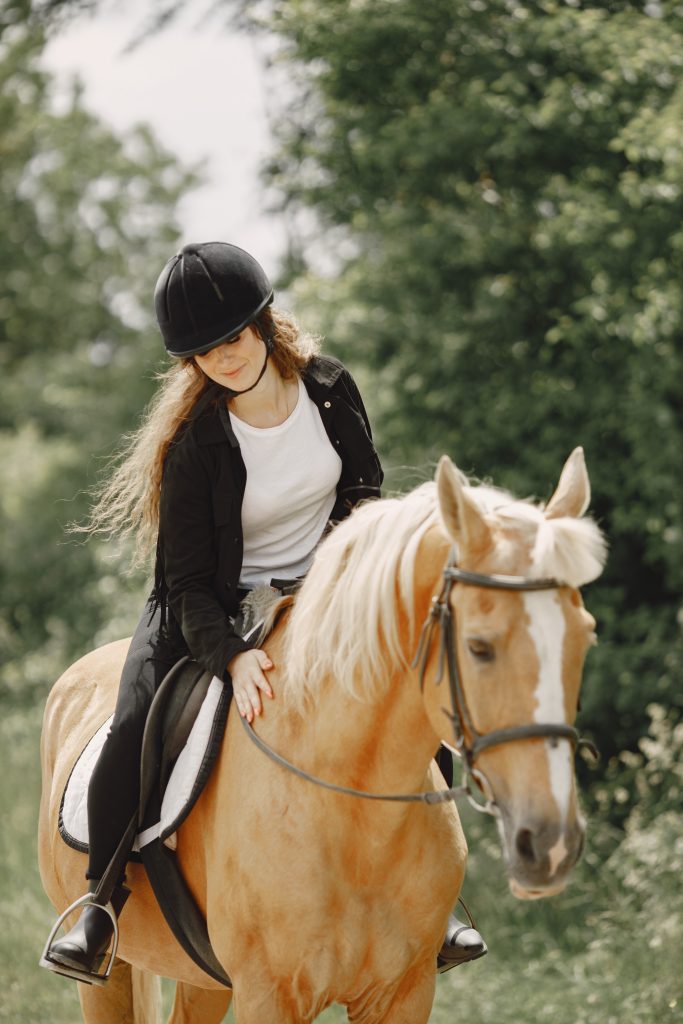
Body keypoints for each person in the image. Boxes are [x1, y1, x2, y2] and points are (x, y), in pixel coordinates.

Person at [42, 241, 485, 982]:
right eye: (204, 353)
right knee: (134, 721)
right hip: (207, 605)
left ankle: (437, 903)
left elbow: (361, 491)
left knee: (410, 686)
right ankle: (100, 902)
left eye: (233, 337)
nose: (224, 358)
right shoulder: (194, 445)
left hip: (323, 588)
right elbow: (184, 584)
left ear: (263, 325)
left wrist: (343, 585)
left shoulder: (330, 388)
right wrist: (235, 655)